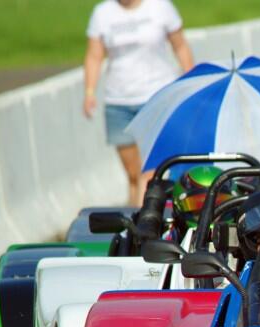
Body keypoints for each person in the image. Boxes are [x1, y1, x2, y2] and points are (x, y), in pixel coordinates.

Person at [83, 0, 194, 207]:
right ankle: (136, 219)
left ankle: (149, 221)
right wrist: (89, 91)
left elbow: (180, 45)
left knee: (151, 172)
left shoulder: (160, 6)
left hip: (156, 97)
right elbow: (94, 55)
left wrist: (190, 79)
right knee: (134, 174)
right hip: (119, 102)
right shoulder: (103, 13)